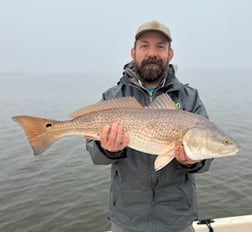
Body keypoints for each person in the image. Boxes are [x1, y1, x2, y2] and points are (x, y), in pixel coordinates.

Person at [86, 20, 213, 232]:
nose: (152, 53)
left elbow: (206, 158)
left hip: (177, 220)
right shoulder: (113, 96)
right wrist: (105, 149)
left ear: (170, 54)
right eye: (144, 46)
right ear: (133, 52)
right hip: (126, 219)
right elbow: (94, 155)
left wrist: (193, 162)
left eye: (160, 47)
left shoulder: (190, 98)